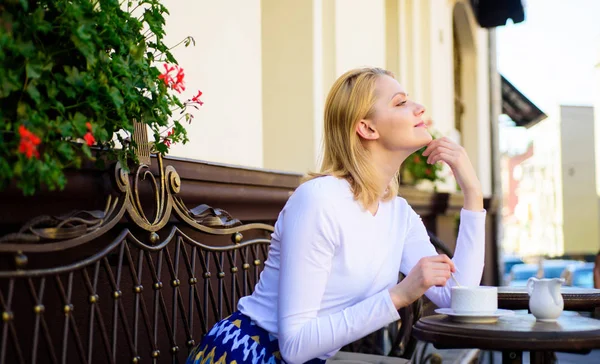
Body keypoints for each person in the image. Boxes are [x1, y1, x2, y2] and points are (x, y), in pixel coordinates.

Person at [187, 67, 486, 364]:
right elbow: (294, 345)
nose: (419, 108)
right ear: (367, 128)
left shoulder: (399, 215)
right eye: (400, 102)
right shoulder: (319, 200)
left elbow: (459, 299)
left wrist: (472, 192)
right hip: (248, 355)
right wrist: (398, 296)